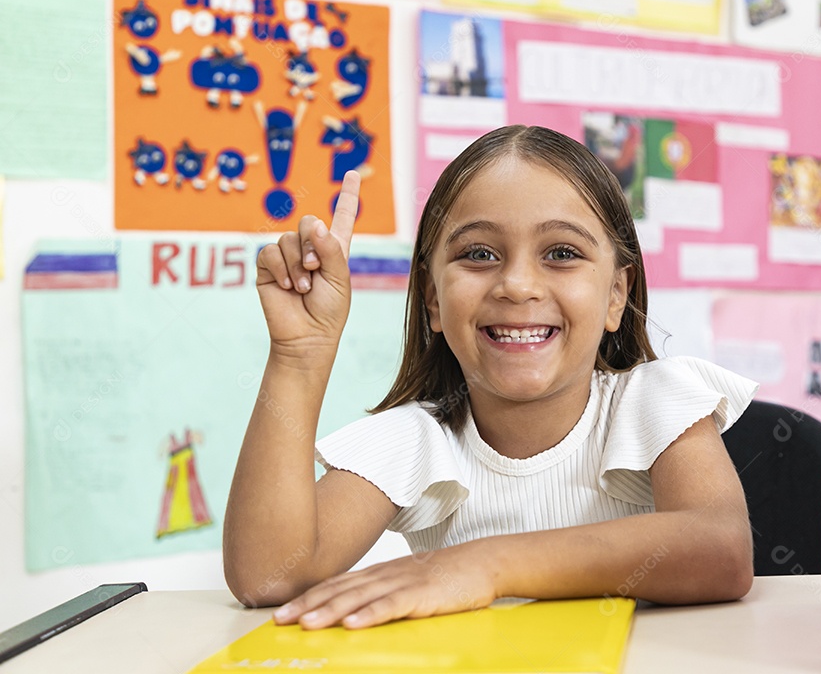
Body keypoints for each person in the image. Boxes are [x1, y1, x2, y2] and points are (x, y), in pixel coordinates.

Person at [223, 125, 758, 631]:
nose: (518, 285)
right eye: (478, 254)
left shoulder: (654, 400)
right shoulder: (416, 439)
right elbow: (271, 576)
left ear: (616, 294)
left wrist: (487, 564)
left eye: (562, 253)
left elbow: (720, 548)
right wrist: (300, 357)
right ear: (433, 300)